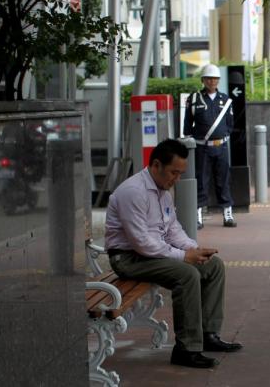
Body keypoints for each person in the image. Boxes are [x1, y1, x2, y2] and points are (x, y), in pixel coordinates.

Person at [104, 139, 243, 369]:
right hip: (128, 258)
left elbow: (172, 229)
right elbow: (141, 243)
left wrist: (193, 250)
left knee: (213, 266)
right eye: (173, 173)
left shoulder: (163, 192)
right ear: (156, 165)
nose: (176, 179)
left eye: (180, 174)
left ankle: (208, 334)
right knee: (187, 274)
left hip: (149, 253)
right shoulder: (133, 192)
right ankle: (186, 349)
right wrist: (183, 257)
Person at [183, 64, 236, 229]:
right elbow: (187, 126)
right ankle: (198, 215)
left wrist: (222, 136)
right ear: (203, 80)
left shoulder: (226, 100)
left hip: (221, 147)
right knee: (201, 181)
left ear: (218, 80)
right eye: (208, 78)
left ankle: (228, 214)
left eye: (214, 78)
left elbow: (230, 124)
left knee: (223, 181)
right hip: (202, 148)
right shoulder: (194, 99)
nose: (211, 81)